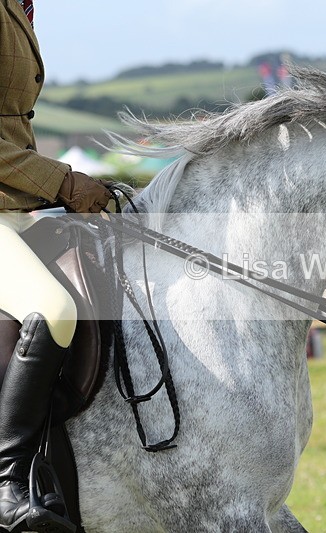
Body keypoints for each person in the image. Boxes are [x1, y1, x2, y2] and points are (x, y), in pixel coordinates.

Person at [1, 2, 113, 530]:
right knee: (53, 308)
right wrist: (63, 182)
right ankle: (7, 480)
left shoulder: (16, 7)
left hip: (15, 206)